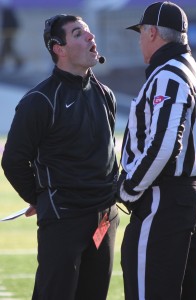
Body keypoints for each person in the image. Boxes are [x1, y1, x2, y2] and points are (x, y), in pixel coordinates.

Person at [1, 14, 119, 300]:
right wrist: (40, 197)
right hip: (64, 218)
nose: (90, 37)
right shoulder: (39, 101)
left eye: (89, 32)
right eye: (79, 33)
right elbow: (14, 160)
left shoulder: (105, 95)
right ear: (59, 48)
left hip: (105, 217)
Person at [117, 2, 196, 300]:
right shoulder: (193, 71)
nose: (139, 41)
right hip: (193, 197)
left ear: (153, 33)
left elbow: (165, 144)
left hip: (165, 199)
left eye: (141, 33)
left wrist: (129, 189)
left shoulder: (168, 75)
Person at [0, 0, 23, 69]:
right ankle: (19, 62)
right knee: (8, 47)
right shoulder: (7, 11)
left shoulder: (7, 12)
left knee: (6, 47)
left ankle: (1, 63)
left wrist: (7, 30)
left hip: (9, 32)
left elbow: (10, 23)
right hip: (8, 31)